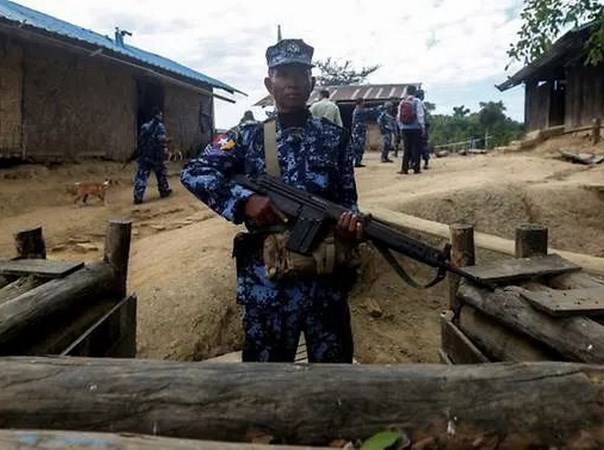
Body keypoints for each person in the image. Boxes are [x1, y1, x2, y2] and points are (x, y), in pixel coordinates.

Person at [180, 38, 363, 364]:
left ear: (312, 82)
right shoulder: (247, 136)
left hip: (325, 285)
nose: (292, 82)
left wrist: (351, 227)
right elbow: (195, 172)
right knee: (263, 386)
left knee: (335, 384)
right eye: (283, 74)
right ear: (269, 83)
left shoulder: (335, 138)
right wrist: (244, 201)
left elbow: (348, 201)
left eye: (300, 74)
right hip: (268, 287)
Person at [133, 107, 172, 204]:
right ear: (158, 115)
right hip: (156, 156)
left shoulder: (144, 127)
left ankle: (138, 196)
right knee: (161, 174)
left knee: (141, 176)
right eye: (160, 114)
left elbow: (141, 141)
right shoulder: (160, 126)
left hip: (145, 155)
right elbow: (161, 141)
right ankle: (164, 190)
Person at [396, 85, 425, 175]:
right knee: (416, 148)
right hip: (416, 128)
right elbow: (420, 115)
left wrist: (401, 127)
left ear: (407, 91)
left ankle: (404, 169)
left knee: (406, 149)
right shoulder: (417, 101)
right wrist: (422, 127)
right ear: (415, 92)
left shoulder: (402, 102)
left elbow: (398, 117)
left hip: (405, 129)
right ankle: (416, 168)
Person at [350, 99, 369, 167]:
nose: (364, 103)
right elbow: (368, 111)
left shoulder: (359, 109)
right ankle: (356, 162)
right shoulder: (359, 110)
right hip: (358, 132)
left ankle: (358, 162)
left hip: (359, 131)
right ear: (360, 103)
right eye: (363, 102)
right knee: (358, 147)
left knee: (360, 147)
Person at [416, 89, 430, 170]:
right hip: (422, 128)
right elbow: (424, 117)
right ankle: (426, 163)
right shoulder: (422, 104)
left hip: (413, 128)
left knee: (414, 146)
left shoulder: (412, 103)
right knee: (424, 145)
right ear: (421, 96)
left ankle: (413, 162)